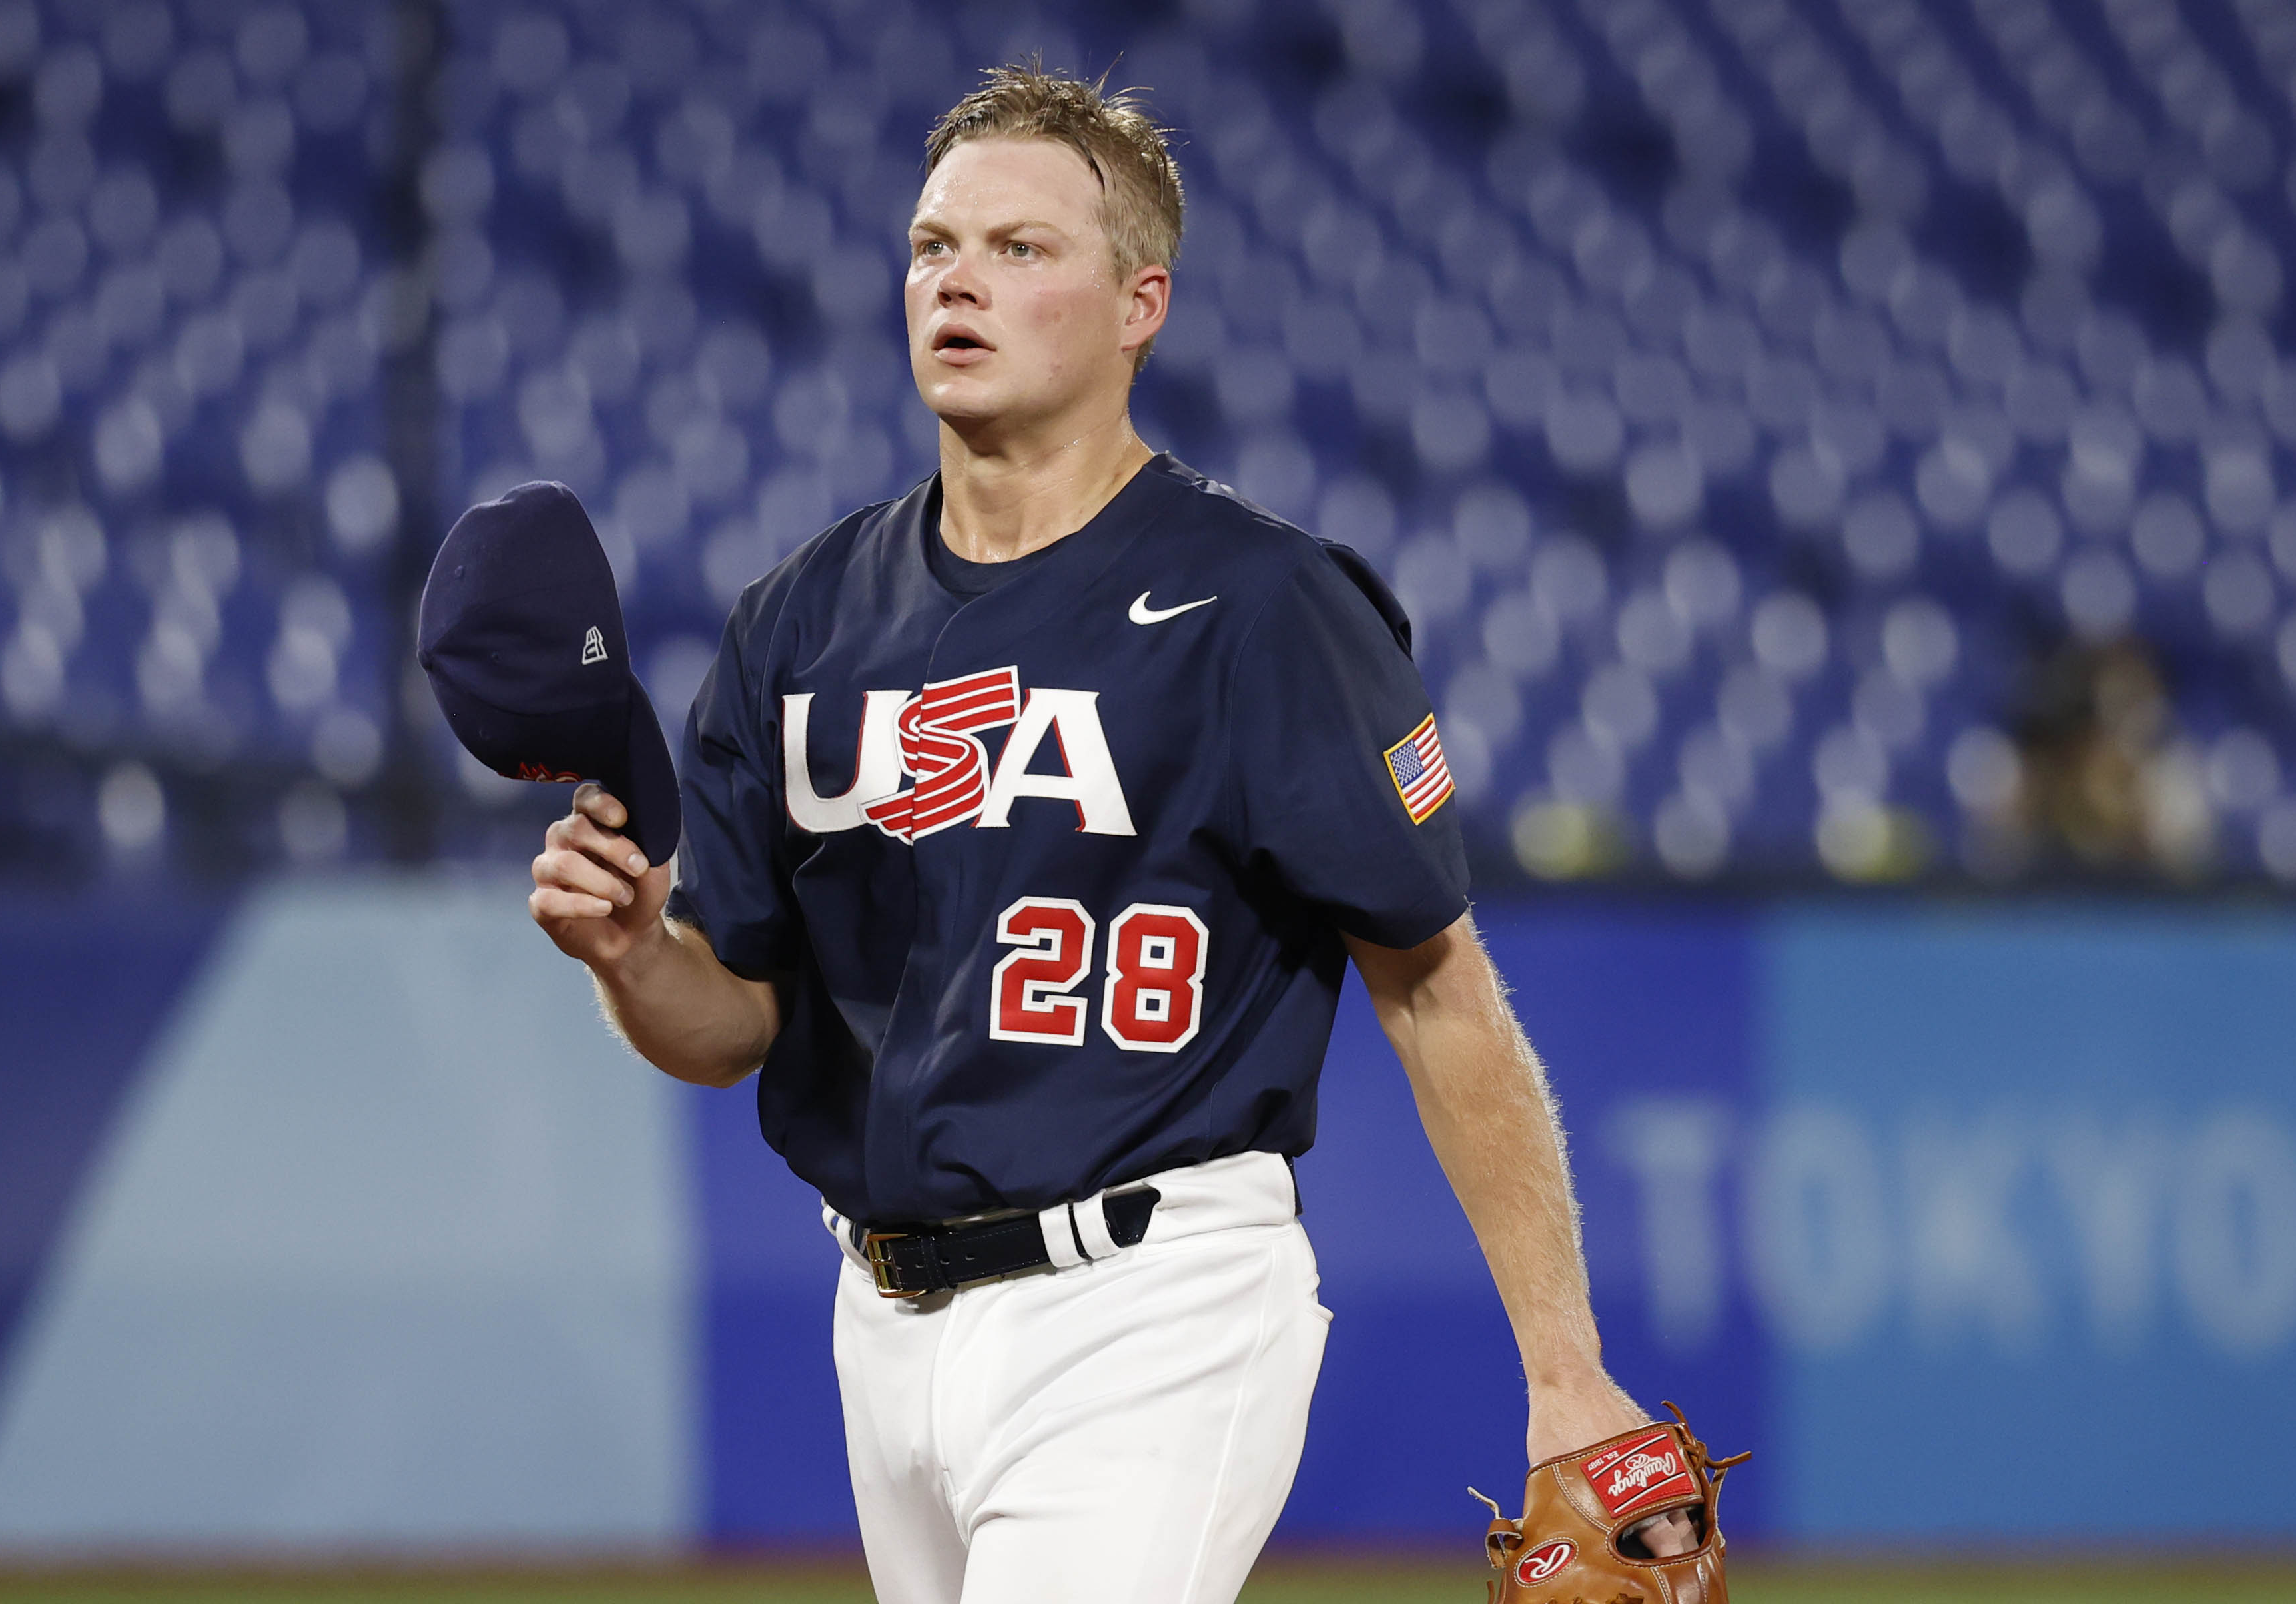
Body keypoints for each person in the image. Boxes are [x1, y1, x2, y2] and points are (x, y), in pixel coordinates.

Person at [527, 63, 1693, 1603]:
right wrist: (626, 956)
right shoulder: (800, 622)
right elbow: (728, 1017)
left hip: (1156, 1299)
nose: (958, 280)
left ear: (1139, 303)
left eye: (1020, 250)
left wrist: (1564, 1368)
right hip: (880, 1317)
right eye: (933, 245)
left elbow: (1435, 982)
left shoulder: (1264, 606)